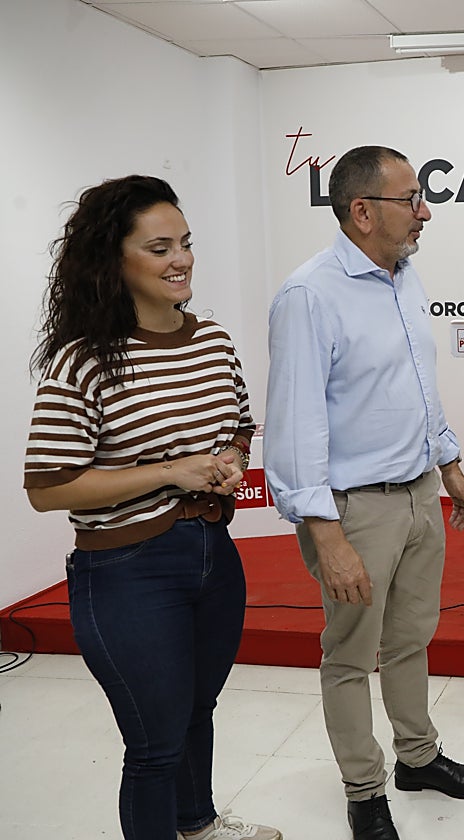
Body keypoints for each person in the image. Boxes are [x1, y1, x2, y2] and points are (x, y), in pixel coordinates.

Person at [23, 175, 278, 840]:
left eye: (186, 244)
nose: (182, 260)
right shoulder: (84, 361)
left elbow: (240, 426)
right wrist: (169, 471)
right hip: (126, 572)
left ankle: (198, 823)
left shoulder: (213, 340)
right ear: (115, 262)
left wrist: (230, 464)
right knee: (155, 746)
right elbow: (47, 487)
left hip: (213, 556)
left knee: (198, 711)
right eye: (159, 248)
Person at [264, 146, 464, 840]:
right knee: (349, 653)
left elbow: (414, 387)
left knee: (409, 639)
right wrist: (326, 534)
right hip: (353, 508)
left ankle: (417, 758)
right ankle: (364, 792)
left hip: (419, 492)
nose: (425, 212)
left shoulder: (404, 275)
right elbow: (294, 426)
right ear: (362, 212)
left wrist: (448, 461)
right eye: (411, 200)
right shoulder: (310, 294)